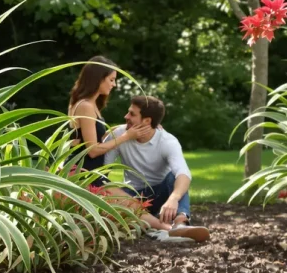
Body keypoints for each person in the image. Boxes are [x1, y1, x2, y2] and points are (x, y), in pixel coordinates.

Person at [104, 96, 210, 243]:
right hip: (133, 196)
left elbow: (183, 173)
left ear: (147, 121)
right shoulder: (119, 136)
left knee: (175, 177)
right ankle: (164, 227)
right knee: (109, 187)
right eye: (128, 112)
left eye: (132, 114)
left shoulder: (167, 141)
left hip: (161, 195)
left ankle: (180, 222)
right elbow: (102, 172)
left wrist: (173, 199)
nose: (126, 116)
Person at [67, 57, 151, 187]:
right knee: (134, 206)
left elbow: (89, 139)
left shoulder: (90, 104)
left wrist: (123, 128)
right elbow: (92, 150)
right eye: (111, 80)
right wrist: (126, 136)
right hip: (83, 175)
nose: (114, 84)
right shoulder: (85, 106)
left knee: (136, 205)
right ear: (98, 78)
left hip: (92, 173)